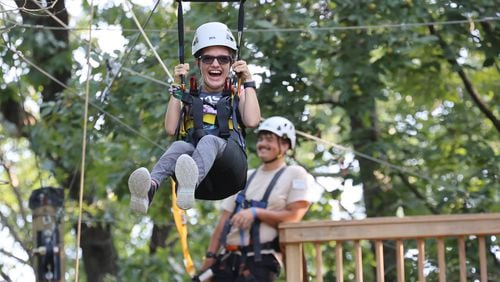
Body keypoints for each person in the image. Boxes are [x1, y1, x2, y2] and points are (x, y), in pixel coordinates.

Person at [128, 22, 261, 212]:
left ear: (231, 64)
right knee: (179, 146)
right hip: (201, 173)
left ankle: (189, 185)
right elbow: (171, 129)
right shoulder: (189, 96)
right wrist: (177, 86)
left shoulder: (238, 93)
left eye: (223, 59)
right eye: (208, 59)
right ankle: (150, 188)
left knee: (209, 141)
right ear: (198, 63)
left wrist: (248, 80)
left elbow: (252, 121)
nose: (215, 64)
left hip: (231, 168)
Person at [198, 116, 314, 282]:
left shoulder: (295, 174)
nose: (262, 144)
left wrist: (256, 212)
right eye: (260, 139)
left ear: (286, 145)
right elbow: (224, 220)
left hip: (261, 261)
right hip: (228, 259)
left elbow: (294, 217)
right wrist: (210, 257)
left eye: (270, 139)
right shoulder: (244, 177)